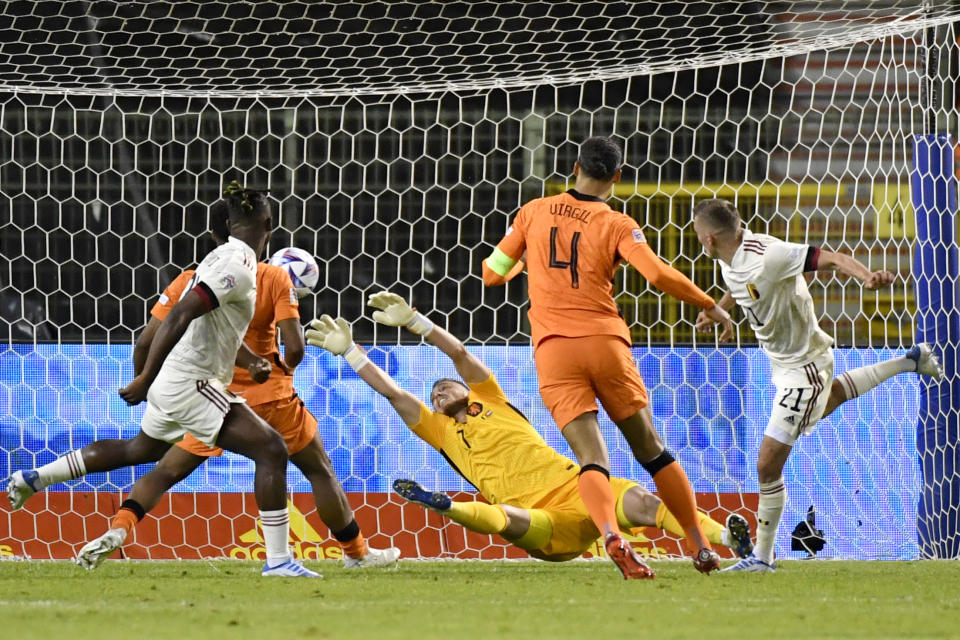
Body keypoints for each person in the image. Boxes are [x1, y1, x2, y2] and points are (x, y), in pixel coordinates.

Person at [8, 206, 399, 570]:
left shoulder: (191, 277)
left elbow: (147, 339)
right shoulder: (276, 278)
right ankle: (349, 553)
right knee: (315, 469)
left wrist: (145, 379)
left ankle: (119, 524)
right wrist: (281, 362)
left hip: (197, 392)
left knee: (152, 461)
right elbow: (294, 350)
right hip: (261, 400)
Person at [304, 292, 755, 577]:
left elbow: (459, 352)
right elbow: (394, 394)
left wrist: (418, 324)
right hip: (542, 522)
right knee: (509, 520)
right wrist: (352, 353)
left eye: (445, 385)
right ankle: (446, 505)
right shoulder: (439, 432)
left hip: (581, 487)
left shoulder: (492, 397)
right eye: (435, 393)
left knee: (645, 503)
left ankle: (725, 539)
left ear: (468, 388)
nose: (439, 390)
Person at [481, 136, 735, 577]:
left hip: (555, 351)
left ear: (573, 166)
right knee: (651, 449)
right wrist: (707, 303)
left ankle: (609, 535)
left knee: (592, 459)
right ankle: (699, 546)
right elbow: (656, 272)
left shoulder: (533, 211)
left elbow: (491, 275)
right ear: (616, 177)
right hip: (605, 343)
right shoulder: (617, 223)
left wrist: (528, 259)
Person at [691, 198, 944, 572]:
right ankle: (912, 361)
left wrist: (866, 276)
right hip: (784, 366)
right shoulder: (730, 259)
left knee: (767, 465)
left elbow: (832, 257)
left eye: (698, 236)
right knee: (829, 399)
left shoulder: (770, 255)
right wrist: (722, 311)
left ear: (710, 239)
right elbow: (739, 284)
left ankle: (761, 557)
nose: (699, 242)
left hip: (804, 367)